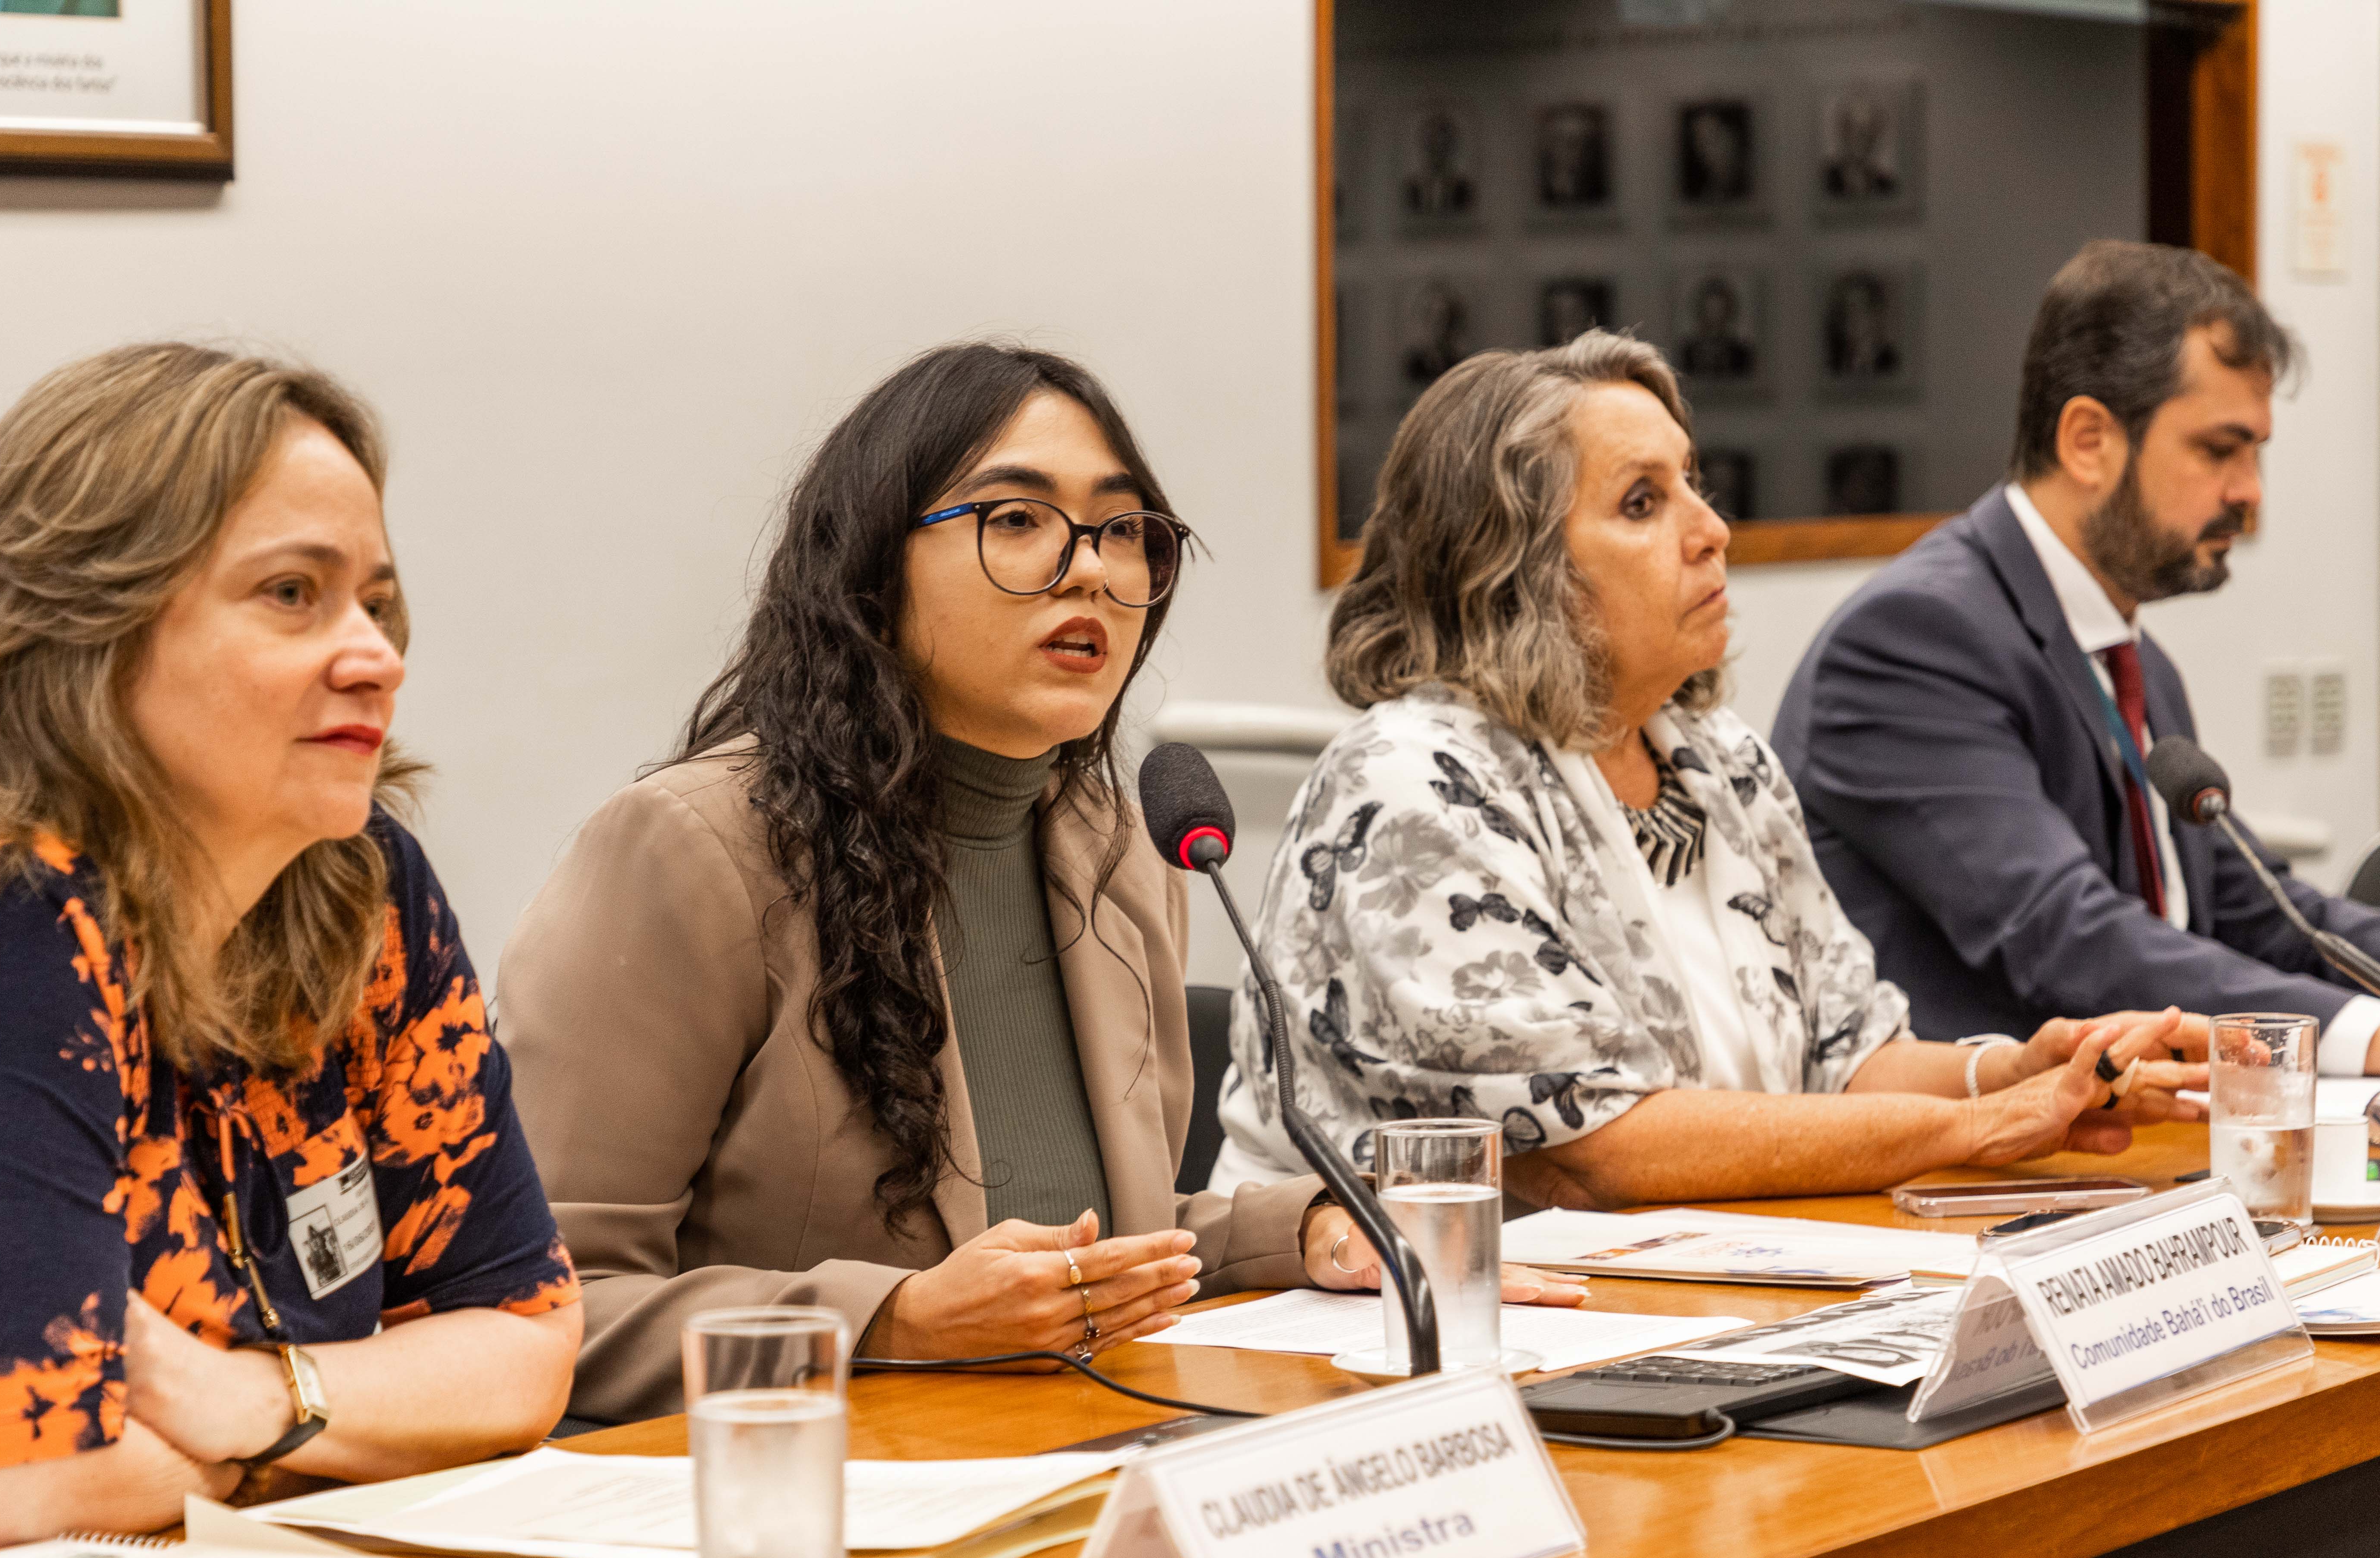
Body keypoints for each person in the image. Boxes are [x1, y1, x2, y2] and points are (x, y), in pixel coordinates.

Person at [497, 344, 1582, 1427]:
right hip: (812, 1493)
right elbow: (538, 1310)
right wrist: (894, 1322)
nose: (1091, 571)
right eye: (1017, 519)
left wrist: (1305, 1231)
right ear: (871, 567)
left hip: (1080, 1452)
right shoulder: (692, 852)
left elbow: (1083, 1242)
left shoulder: (1116, 848)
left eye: (1124, 530)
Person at [0, 345, 580, 1558]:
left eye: (375, 602)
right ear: (90, 629)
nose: (376, 656)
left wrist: (248, 1400)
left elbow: (523, 1350)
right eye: (293, 594)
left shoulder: (360, 885)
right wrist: (349, 1428)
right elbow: (21, 1494)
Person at [1213, 332, 2202, 1210]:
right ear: (1510, 570)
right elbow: (1598, 1152)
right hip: (1380, 1315)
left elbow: (1848, 1058)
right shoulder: (1411, 785)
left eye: (1694, 482)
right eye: (1644, 502)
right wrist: (1975, 1127)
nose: (1712, 528)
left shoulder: (1719, 760)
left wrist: (2019, 1071)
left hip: (1685, 1289)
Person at [1772, 241, 2380, 1079]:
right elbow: (2067, 938)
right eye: (2220, 450)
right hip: (1977, 1156)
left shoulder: (2129, 656)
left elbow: (2256, 909)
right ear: (2088, 440)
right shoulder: (1914, 640)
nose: (2250, 491)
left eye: (2255, 451)